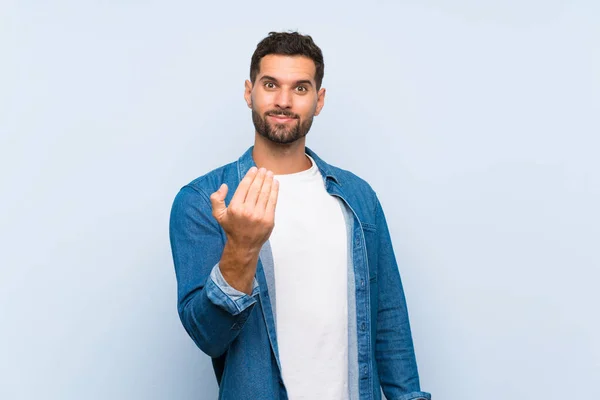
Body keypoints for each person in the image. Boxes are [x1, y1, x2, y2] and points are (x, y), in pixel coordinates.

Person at [169, 31, 430, 400]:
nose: (284, 101)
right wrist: (241, 249)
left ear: (319, 100)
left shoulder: (358, 197)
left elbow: (389, 316)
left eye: (301, 88)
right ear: (249, 92)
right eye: (271, 84)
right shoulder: (203, 201)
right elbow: (208, 336)